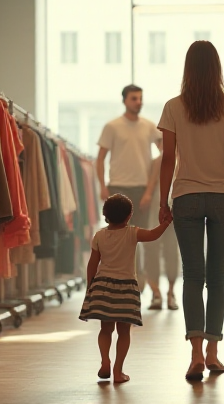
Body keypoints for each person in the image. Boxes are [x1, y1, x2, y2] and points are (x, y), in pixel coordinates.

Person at [157, 41, 224, 381]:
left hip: (186, 197)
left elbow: (168, 158)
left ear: (187, 69)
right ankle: (213, 351)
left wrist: (162, 201)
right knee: (217, 276)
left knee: (192, 276)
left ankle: (195, 352)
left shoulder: (172, 107)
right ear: (217, 69)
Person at [79, 194, 173, 384]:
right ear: (129, 215)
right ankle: (118, 370)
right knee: (124, 332)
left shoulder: (99, 236)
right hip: (126, 288)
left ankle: (105, 361)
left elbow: (92, 264)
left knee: (105, 330)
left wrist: (91, 286)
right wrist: (165, 223)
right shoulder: (132, 233)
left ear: (105, 215)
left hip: (103, 286)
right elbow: (153, 234)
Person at [96, 85, 165, 303]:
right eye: (134, 98)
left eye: (140, 98)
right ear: (125, 100)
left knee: (148, 241)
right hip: (118, 188)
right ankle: (121, 291)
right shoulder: (112, 126)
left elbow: (165, 154)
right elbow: (100, 159)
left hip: (143, 190)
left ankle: (154, 291)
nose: (138, 102)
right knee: (119, 242)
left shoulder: (149, 126)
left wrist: (150, 189)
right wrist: (102, 186)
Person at [141, 152, 180, 310]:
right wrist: (148, 195)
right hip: (157, 209)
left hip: (176, 208)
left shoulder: (184, 158)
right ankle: (156, 292)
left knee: (171, 250)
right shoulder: (157, 161)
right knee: (153, 250)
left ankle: (170, 292)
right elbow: (150, 185)